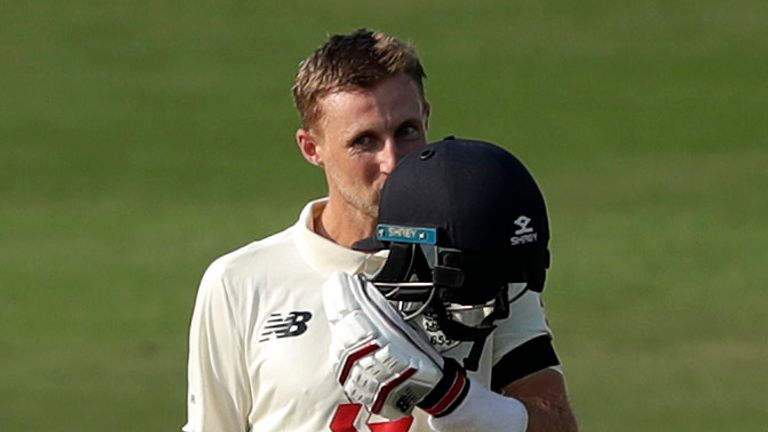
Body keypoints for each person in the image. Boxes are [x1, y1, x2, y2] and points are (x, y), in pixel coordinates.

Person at [183, 28, 578, 432]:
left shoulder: (484, 257)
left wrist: (454, 399)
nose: (392, 161)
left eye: (406, 131)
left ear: (426, 117)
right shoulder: (240, 282)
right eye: (364, 141)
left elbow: (558, 424)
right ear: (311, 148)